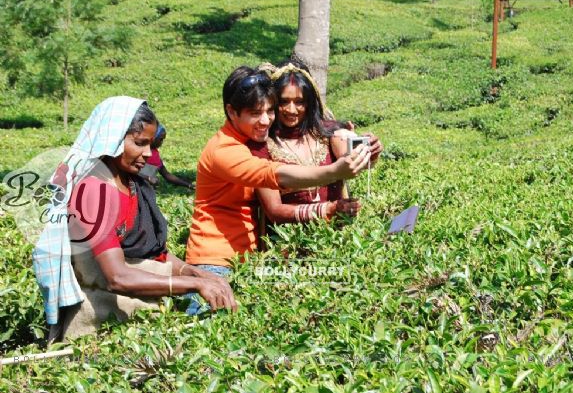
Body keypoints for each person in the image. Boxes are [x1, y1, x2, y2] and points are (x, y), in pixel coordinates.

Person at [32, 96, 236, 342]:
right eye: (140, 143)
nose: (148, 154)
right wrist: (193, 285)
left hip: (141, 317)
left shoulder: (133, 185)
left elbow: (155, 255)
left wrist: (195, 273)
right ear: (114, 140)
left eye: (150, 144)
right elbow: (117, 277)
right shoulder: (93, 192)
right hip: (100, 330)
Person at [184, 66, 372, 275]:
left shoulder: (251, 138)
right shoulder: (225, 150)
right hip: (216, 261)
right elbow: (273, 176)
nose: (265, 120)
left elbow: (337, 134)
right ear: (231, 111)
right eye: (255, 113)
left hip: (247, 258)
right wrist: (334, 174)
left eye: (269, 111)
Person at [247, 60, 383, 226]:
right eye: (284, 102)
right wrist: (326, 210)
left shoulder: (328, 132)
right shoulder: (261, 147)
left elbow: (351, 161)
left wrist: (370, 153)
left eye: (299, 102)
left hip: (335, 240)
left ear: (309, 103)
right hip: (288, 244)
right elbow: (274, 210)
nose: (291, 110)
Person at [139, 123, 196, 190]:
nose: (162, 142)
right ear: (152, 137)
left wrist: (188, 185)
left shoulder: (155, 156)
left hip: (148, 190)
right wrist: (148, 178)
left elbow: (167, 175)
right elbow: (132, 171)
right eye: (160, 139)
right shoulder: (141, 152)